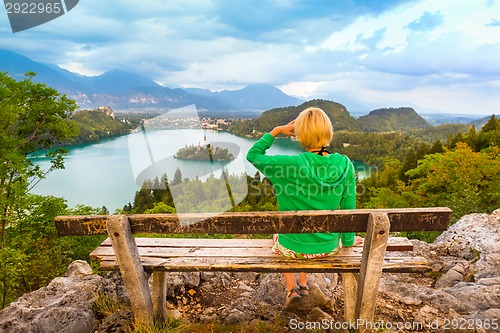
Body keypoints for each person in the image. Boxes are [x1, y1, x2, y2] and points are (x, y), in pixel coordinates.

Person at [246, 107, 360, 306]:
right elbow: (349, 210)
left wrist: (276, 131)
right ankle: (303, 281)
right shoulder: (345, 165)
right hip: (328, 248)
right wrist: (348, 241)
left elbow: (253, 155)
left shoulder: (289, 164)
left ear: (300, 135)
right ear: (328, 132)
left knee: (281, 233)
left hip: (292, 249)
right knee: (309, 228)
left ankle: (291, 290)